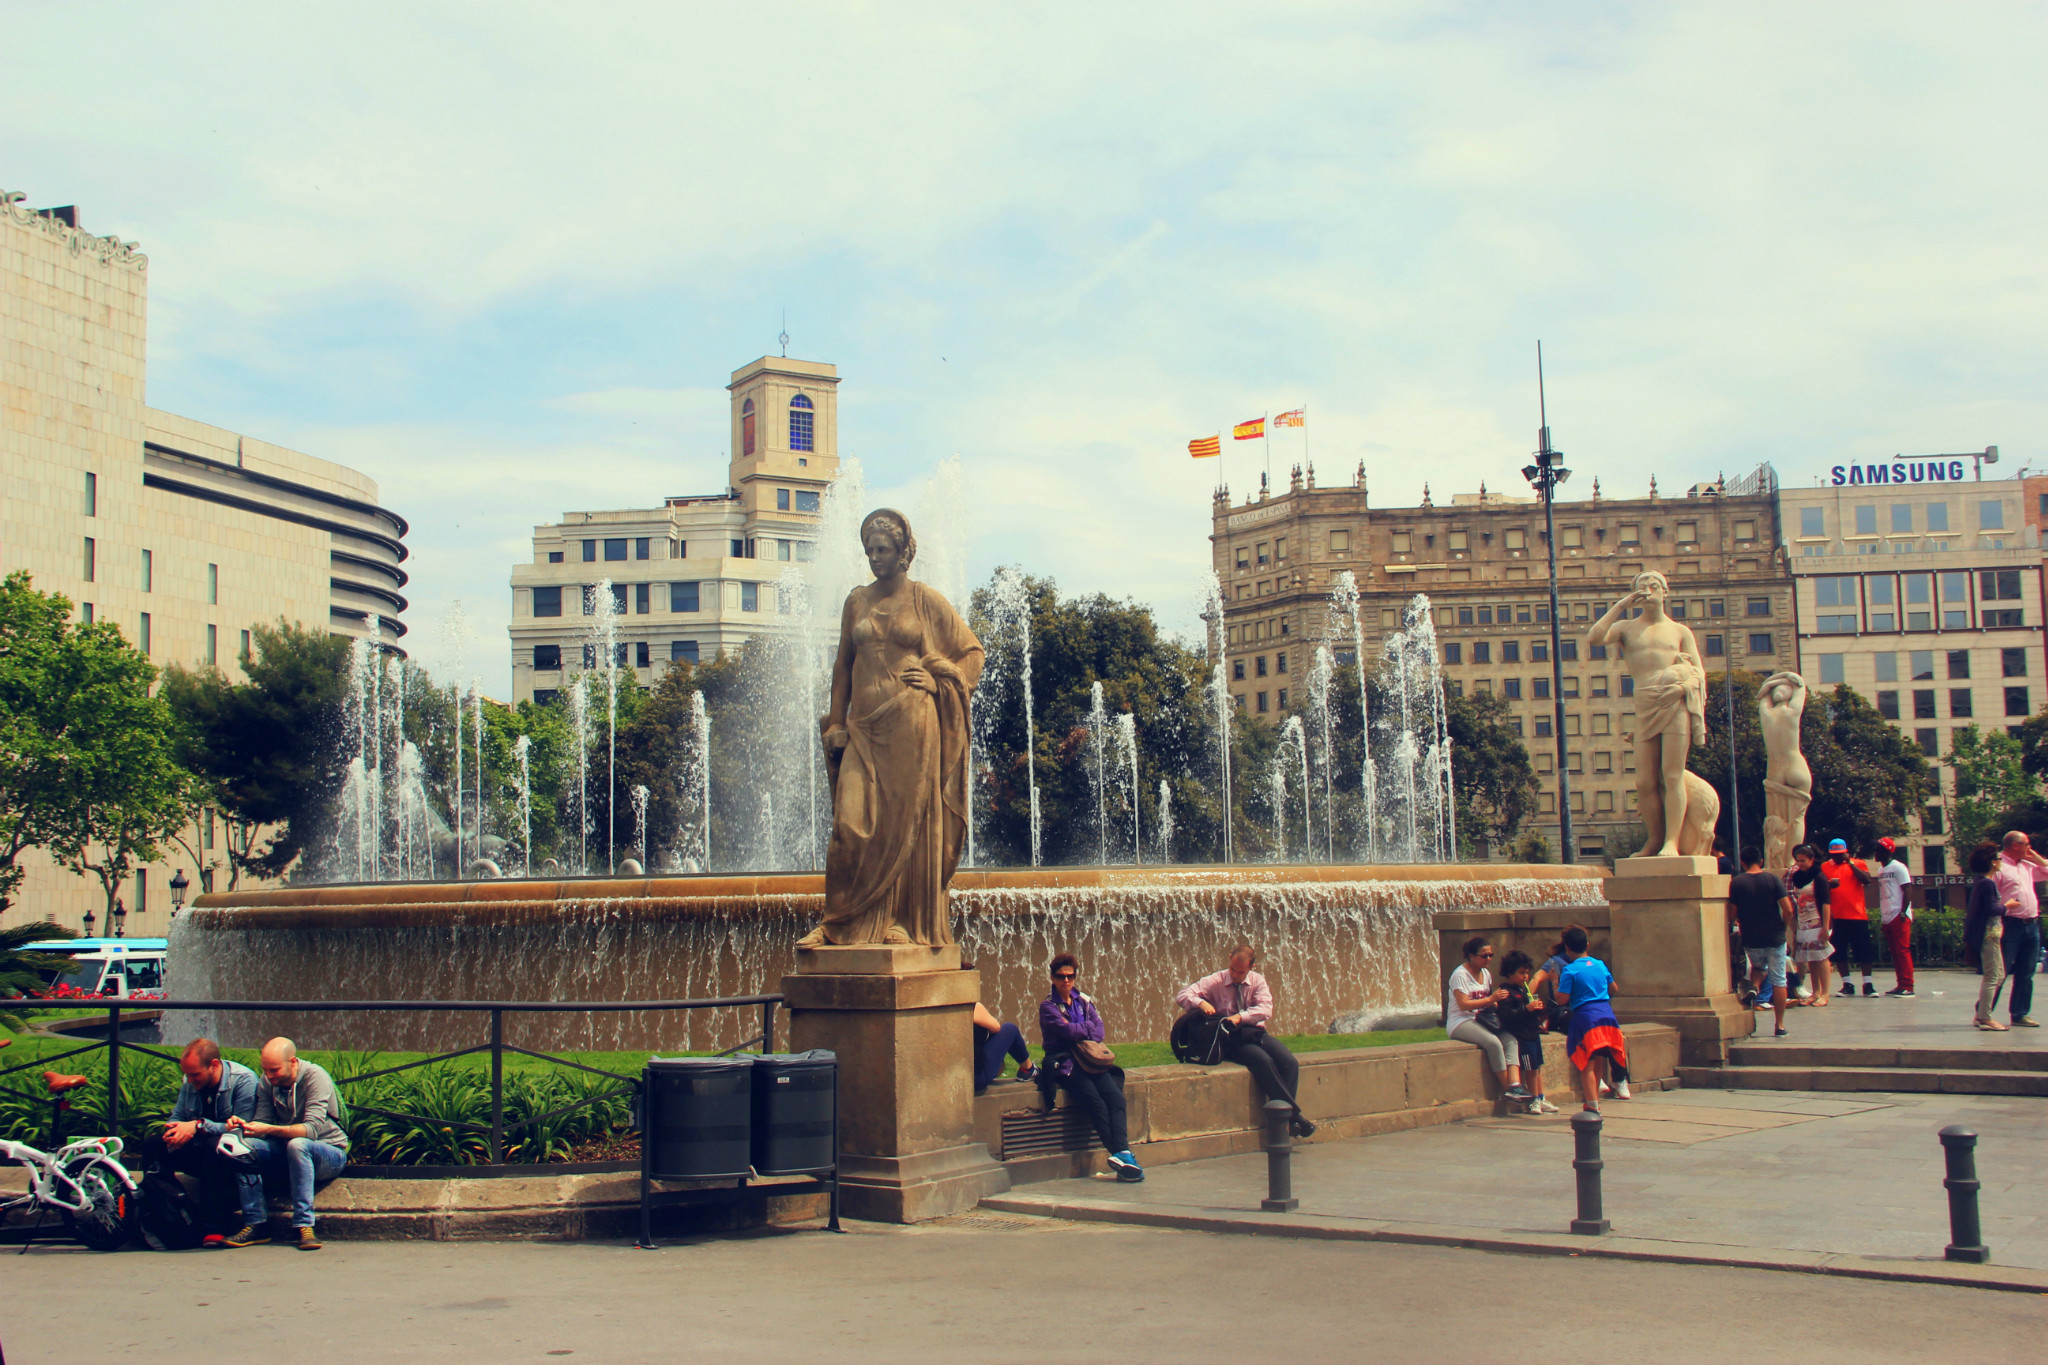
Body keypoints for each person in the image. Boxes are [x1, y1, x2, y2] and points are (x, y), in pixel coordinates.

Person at [803, 508, 984, 947]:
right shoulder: (856, 601)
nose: (874, 557)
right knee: (849, 827)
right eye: (869, 550)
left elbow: (972, 654)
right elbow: (842, 666)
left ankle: (903, 922)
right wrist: (836, 720)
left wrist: (940, 681)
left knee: (908, 827)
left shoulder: (926, 600)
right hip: (863, 729)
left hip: (912, 722)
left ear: (903, 553)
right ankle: (838, 923)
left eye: (882, 549)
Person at [1175, 946, 1316, 1137]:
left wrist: (1240, 1017)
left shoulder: (1258, 981)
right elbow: (1183, 994)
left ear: (1251, 967)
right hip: (1230, 1039)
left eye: (1240, 972)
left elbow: (1266, 1009)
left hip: (1254, 1033)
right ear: (1229, 959)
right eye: (1232, 969)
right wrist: (1201, 1002)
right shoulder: (1216, 980)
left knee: (1289, 1062)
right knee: (1263, 1061)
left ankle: (1286, 1118)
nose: (1235, 975)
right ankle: (1291, 1118)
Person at [222, 1037, 349, 1250]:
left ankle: (305, 1225)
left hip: (328, 1151)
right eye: (265, 1070)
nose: (269, 1076)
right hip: (289, 1149)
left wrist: (268, 1129)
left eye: (274, 1070)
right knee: (242, 1148)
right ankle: (256, 1224)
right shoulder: (267, 1081)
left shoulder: (315, 1077)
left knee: (298, 1145)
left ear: (292, 1062)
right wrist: (243, 1127)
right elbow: (262, 1123)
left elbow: (311, 1131)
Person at [1037, 954, 1142, 1181]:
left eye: (1070, 976)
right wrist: (1085, 1027)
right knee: (1096, 1104)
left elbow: (1099, 1031)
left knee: (1116, 1098)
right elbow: (1066, 1032)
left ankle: (1123, 1154)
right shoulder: (1048, 1006)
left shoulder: (1083, 1000)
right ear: (1052, 978)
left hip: (1090, 1061)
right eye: (1061, 976)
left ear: (1075, 977)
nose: (1066, 980)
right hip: (1066, 1064)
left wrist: (1078, 1028)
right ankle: (1121, 1155)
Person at [144, 1038, 260, 1244]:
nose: (189, 1080)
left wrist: (198, 1126)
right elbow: (178, 1115)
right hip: (198, 1148)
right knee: (154, 1144)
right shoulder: (189, 1081)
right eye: (187, 1075)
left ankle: (213, 1227)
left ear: (214, 1065)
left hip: (230, 1157)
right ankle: (166, 1214)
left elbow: (243, 1129)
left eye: (195, 1075)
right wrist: (175, 1131)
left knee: (215, 1146)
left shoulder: (243, 1081)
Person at [1536, 931, 1630, 1098]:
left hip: (1586, 1019)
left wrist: (1555, 981)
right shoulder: (1600, 964)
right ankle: (1618, 1083)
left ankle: (1593, 1104)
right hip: (1607, 1017)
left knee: (1587, 1065)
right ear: (1587, 945)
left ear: (1567, 948)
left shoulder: (1570, 970)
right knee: (1604, 1054)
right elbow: (1613, 988)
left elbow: (1562, 999)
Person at [1445, 936, 1531, 1108]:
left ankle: (1515, 1084)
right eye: (1484, 956)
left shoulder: (1486, 974)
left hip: (1482, 1018)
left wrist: (1496, 1003)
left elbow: (1488, 1000)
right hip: (1460, 1021)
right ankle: (1508, 1088)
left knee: (1510, 1039)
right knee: (1493, 1043)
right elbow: (1463, 1005)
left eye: (1491, 955)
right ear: (1471, 956)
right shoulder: (1460, 975)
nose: (1488, 959)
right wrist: (1491, 999)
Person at [1728, 847, 1795, 1037]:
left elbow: (1732, 914)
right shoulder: (1772, 879)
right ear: (1761, 861)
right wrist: (1784, 927)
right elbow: (1788, 909)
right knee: (1779, 979)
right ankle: (1779, 1025)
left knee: (1758, 967)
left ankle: (1754, 989)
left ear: (1742, 862)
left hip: (1751, 937)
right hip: (1775, 936)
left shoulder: (1737, 882)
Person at [1992, 830, 2047, 1028]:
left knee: (2026, 972)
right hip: (2010, 925)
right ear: (2015, 845)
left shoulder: (2027, 865)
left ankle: (2020, 1013)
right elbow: (1990, 895)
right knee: (2000, 972)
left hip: (2031, 924)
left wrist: (2036, 857)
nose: (2029, 848)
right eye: (2026, 844)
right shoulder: (1998, 865)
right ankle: (1984, 1012)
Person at [1496, 951, 1557, 1114]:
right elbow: (1507, 1016)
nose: (1525, 976)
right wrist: (1526, 1009)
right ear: (1510, 972)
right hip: (1522, 1037)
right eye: (1521, 973)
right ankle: (1533, 1100)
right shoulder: (1505, 992)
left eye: (1527, 973)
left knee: (1537, 1068)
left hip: (1533, 1035)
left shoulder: (1524, 990)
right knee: (1530, 1069)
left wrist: (1537, 1010)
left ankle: (1541, 1097)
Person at [1962, 841, 2009, 1032]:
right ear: (1992, 862)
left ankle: (1982, 1013)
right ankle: (1984, 1017)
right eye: (1999, 858)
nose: (2001, 861)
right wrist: (2008, 906)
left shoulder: (1981, 882)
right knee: (1993, 976)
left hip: (1990, 934)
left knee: (1999, 975)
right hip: (1989, 934)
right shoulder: (1987, 883)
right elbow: (1991, 909)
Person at [1823, 838, 1877, 997]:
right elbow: (1821, 887)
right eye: (1834, 855)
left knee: (1864, 951)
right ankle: (1847, 984)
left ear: (1846, 852)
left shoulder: (1858, 863)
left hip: (1857, 915)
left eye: (1840, 854)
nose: (1837, 857)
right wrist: (1829, 885)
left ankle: (1868, 984)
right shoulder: (1825, 867)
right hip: (1837, 915)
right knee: (1840, 952)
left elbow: (1867, 880)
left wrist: (1850, 864)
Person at [1786, 844, 1835, 1006]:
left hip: (1818, 920)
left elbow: (1826, 903)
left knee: (1821, 957)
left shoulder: (1819, 877)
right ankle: (1816, 992)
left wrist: (1825, 927)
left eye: (1803, 861)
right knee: (1810, 958)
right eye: (1798, 861)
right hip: (1804, 920)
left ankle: (1825, 993)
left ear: (1811, 859)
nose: (1800, 864)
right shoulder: (1797, 877)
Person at [1871, 837, 1915, 996]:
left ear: (1887, 852)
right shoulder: (1881, 870)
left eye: (1878, 850)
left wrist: (1903, 911)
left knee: (1902, 951)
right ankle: (1900, 984)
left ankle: (1908, 986)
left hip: (1898, 914)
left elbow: (1907, 889)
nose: (1875, 853)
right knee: (1895, 952)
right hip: (1887, 915)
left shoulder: (1899, 867)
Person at [971, 1000, 1035, 1095]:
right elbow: (996, 1028)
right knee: (1010, 1029)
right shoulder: (972, 1008)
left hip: (951, 1078)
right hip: (975, 1079)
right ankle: (1028, 1068)